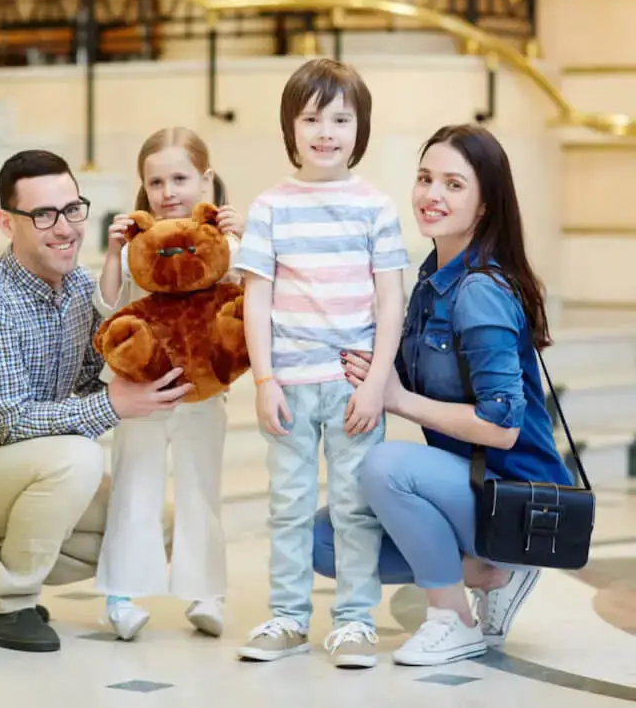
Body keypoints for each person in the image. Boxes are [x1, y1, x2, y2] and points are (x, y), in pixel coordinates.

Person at [313, 123, 574, 667]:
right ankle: (491, 571)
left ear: (484, 205)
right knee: (327, 539)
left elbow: (501, 426)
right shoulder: (433, 278)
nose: (432, 195)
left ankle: (452, 618)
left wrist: (398, 399)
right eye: (425, 178)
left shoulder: (479, 290)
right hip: (473, 486)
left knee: (386, 466)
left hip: (521, 497)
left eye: (454, 185)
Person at [0, 149, 193, 654]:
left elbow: (87, 383)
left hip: (23, 473)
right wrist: (116, 405)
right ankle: (6, 602)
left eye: (72, 209)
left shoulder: (82, 289)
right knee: (77, 459)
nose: (64, 229)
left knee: (157, 519)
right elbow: (12, 420)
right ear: (6, 223)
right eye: (42, 215)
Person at [233, 58, 410, 669]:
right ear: (291, 128)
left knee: (355, 508)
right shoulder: (271, 207)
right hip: (288, 385)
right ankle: (286, 617)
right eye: (312, 118)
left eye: (341, 118)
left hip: (352, 387)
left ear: (360, 130)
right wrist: (262, 379)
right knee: (287, 506)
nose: (327, 131)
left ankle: (356, 622)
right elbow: (255, 297)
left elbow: (392, 300)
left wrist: (377, 385)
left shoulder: (376, 208)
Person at [91, 127, 244, 641]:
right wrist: (113, 253)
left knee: (201, 486)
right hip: (143, 389)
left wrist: (240, 235)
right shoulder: (141, 242)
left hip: (203, 390)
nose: (168, 191)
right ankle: (122, 593)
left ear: (205, 178)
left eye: (180, 178)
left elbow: (244, 293)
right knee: (136, 482)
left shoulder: (220, 238)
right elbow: (111, 306)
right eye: (155, 181)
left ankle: (206, 591)